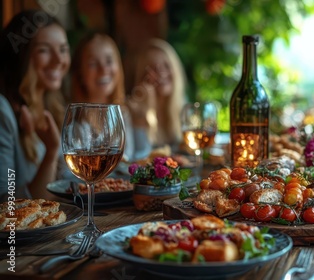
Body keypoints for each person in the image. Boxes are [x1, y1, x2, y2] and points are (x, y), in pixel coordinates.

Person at [0, 10, 70, 201]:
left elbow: (66, 182)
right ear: (20, 56)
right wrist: (51, 151)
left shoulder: (52, 107)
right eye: (44, 50)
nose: (58, 60)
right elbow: (7, 204)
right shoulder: (3, 111)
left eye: (63, 49)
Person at [70, 32, 151, 165]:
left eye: (109, 61)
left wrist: (140, 125)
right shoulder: (73, 121)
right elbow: (65, 176)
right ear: (80, 74)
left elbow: (141, 160)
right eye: (92, 63)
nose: (103, 70)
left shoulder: (124, 112)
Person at [128, 38, 187, 151]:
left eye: (166, 66)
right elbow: (138, 156)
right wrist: (143, 116)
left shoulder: (183, 107)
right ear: (142, 76)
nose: (161, 73)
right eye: (153, 68)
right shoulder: (133, 111)